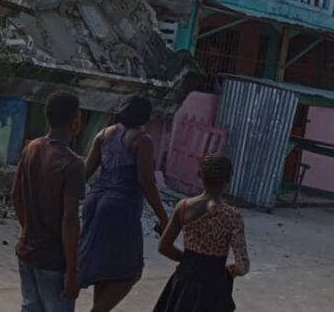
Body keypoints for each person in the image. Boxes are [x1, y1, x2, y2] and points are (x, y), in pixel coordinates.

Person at [77, 96, 169, 312]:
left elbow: (85, 173)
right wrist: (164, 218)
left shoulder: (104, 134)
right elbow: (145, 181)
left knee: (105, 269)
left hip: (95, 201)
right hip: (121, 207)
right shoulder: (141, 140)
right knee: (130, 271)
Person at [12, 91, 87, 312]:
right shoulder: (73, 164)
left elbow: (16, 195)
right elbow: (70, 219)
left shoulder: (32, 148)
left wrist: (28, 228)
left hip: (28, 251)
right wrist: (72, 270)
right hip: (53, 260)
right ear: (74, 122)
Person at [154, 153, 249, 312]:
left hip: (184, 281)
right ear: (227, 180)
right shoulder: (233, 216)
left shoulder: (183, 207)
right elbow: (242, 266)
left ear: (200, 175)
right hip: (214, 286)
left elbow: (164, 247)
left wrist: (187, 260)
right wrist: (228, 270)